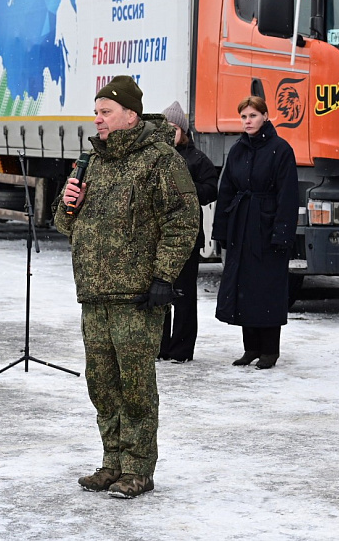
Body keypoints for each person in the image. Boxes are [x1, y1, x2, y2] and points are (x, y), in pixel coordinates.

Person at [53, 75, 198, 499]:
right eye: (96, 112)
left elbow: (183, 221)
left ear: (130, 115)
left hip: (136, 295)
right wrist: (68, 204)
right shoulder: (92, 162)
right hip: (95, 293)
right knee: (101, 383)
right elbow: (65, 224)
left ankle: (138, 469)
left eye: (105, 112)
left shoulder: (160, 160)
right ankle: (112, 462)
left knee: (135, 385)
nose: (97, 120)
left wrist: (163, 276)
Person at [211, 96, 299, 370]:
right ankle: (250, 348)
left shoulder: (281, 149)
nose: (248, 121)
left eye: (252, 116)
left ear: (265, 116)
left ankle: (270, 350)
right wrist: (222, 230)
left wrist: (282, 234)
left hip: (267, 225)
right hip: (242, 224)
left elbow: (287, 195)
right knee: (243, 287)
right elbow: (226, 190)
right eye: (244, 117)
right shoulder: (238, 149)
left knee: (267, 288)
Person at [158, 100, 218, 363]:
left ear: (183, 131)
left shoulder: (196, 159)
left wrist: (186, 190)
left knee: (183, 295)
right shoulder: (155, 157)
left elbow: (211, 189)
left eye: (174, 128)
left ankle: (181, 350)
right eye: (165, 128)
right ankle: (158, 347)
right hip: (158, 237)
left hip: (187, 239)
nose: (170, 133)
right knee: (158, 294)